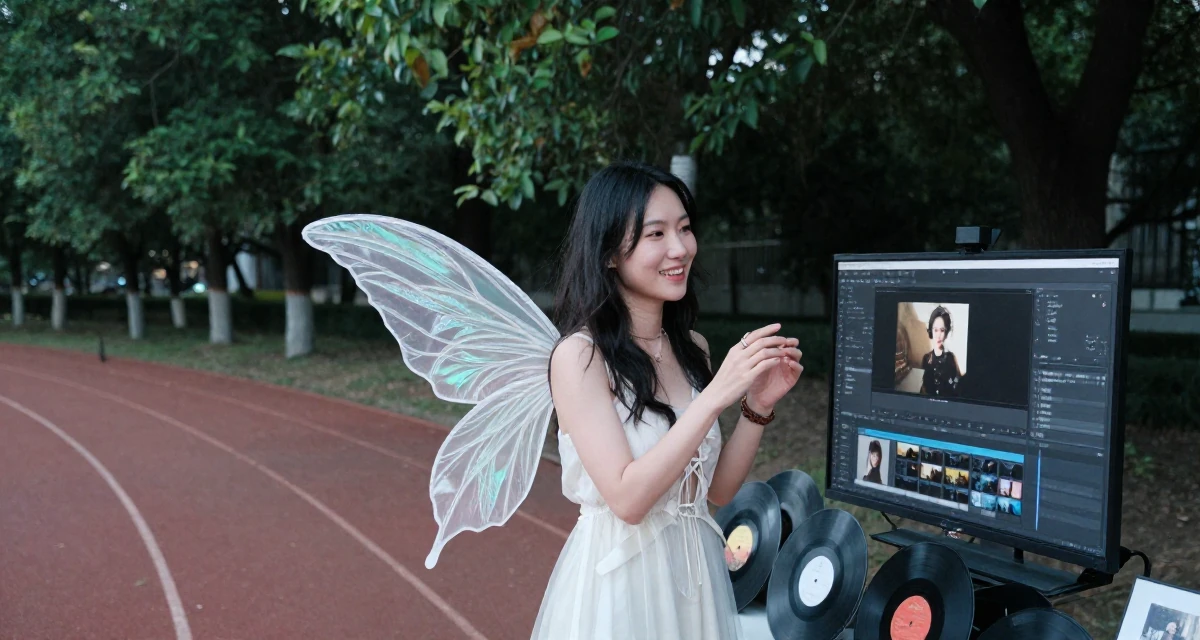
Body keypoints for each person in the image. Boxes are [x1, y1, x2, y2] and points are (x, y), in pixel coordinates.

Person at [533, 161, 804, 639]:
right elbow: (628, 499)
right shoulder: (579, 357)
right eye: (655, 234)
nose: (680, 248)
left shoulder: (691, 347)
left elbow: (713, 494)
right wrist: (716, 395)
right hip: (619, 588)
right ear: (610, 253)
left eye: (684, 228)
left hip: (695, 576)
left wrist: (756, 407)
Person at [920, 305, 963, 397]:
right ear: (931, 331)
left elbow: (957, 388)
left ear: (946, 332)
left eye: (942, 330)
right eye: (935, 330)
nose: (938, 335)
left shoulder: (951, 358)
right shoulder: (926, 359)